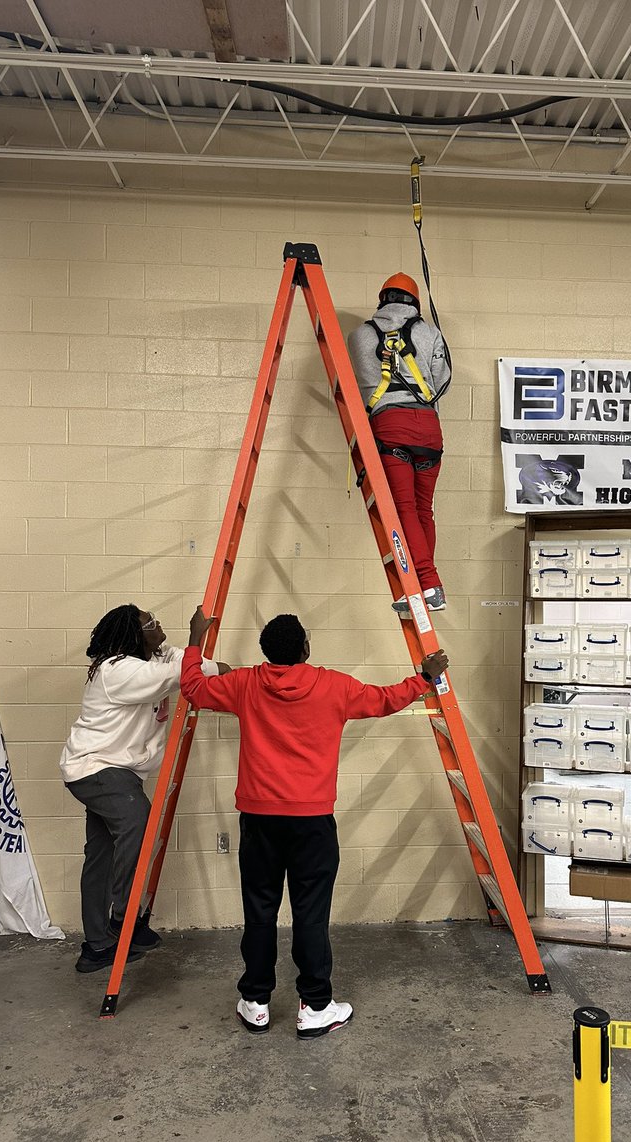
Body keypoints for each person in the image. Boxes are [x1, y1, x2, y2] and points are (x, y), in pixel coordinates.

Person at [181, 606, 449, 1040]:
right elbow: (385, 699)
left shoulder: (245, 683)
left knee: (260, 910)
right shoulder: (333, 686)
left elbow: (193, 687)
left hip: (259, 818)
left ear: (266, 651)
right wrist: (425, 676)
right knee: (311, 914)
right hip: (311, 821)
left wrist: (195, 639)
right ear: (306, 648)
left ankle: (255, 1002)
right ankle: (316, 1006)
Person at [60, 605, 228, 974]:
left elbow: (185, 662)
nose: (158, 626)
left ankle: (97, 946)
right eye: (150, 624)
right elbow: (180, 672)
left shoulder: (150, 658)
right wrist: (197, 636)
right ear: (135, 636)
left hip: (115, 772)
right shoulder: (118, 669)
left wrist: (224, 669)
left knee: (101, 855)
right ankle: (124, 917)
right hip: (98, 769)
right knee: (138, 824)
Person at [347, 273, 451, 614]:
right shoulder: (430, 333)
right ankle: (426, 586)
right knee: (423, 511)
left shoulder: (360, 335)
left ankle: (428, 584)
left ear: (383, 299)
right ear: (414, 301)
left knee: (404, 509)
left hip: (391, 426)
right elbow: (441, 382)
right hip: (429, 430)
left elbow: (362, 380)